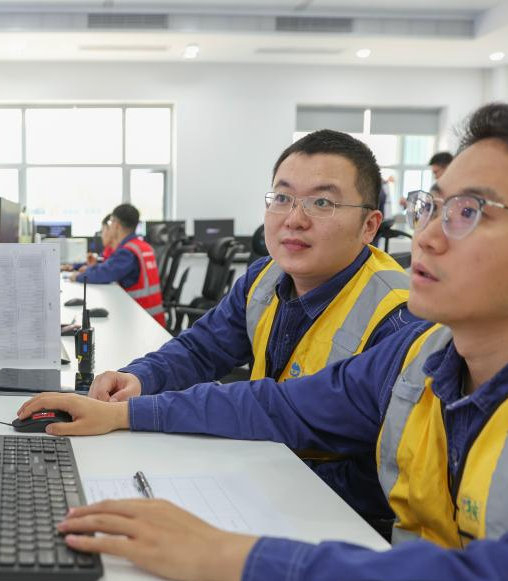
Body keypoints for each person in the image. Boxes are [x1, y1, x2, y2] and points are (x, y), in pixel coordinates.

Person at [20, 98, 508, 581]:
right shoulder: (422, 354)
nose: (425, 237)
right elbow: (278, 407)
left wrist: (230, 556)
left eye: (469, 213)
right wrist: (126, 413)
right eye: (431, 207)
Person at [88, 130, 420, 524]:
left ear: (369, 225)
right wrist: (139, 379)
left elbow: (374, 476)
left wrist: (249, 475)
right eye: (282, 198)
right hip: (268, 475)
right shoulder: (264, 276)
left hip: (339, 517)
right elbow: (200, 349)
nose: (294, 219)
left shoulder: (400, 316)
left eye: (322, 202)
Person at [70, 204, 165, 326]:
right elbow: (107, 266)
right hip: (153, 317)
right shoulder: (144, 247)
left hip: (140, 320)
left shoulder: (127, 252)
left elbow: (104, 273)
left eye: (111, 222)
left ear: (116, 224)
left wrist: (77, 277)